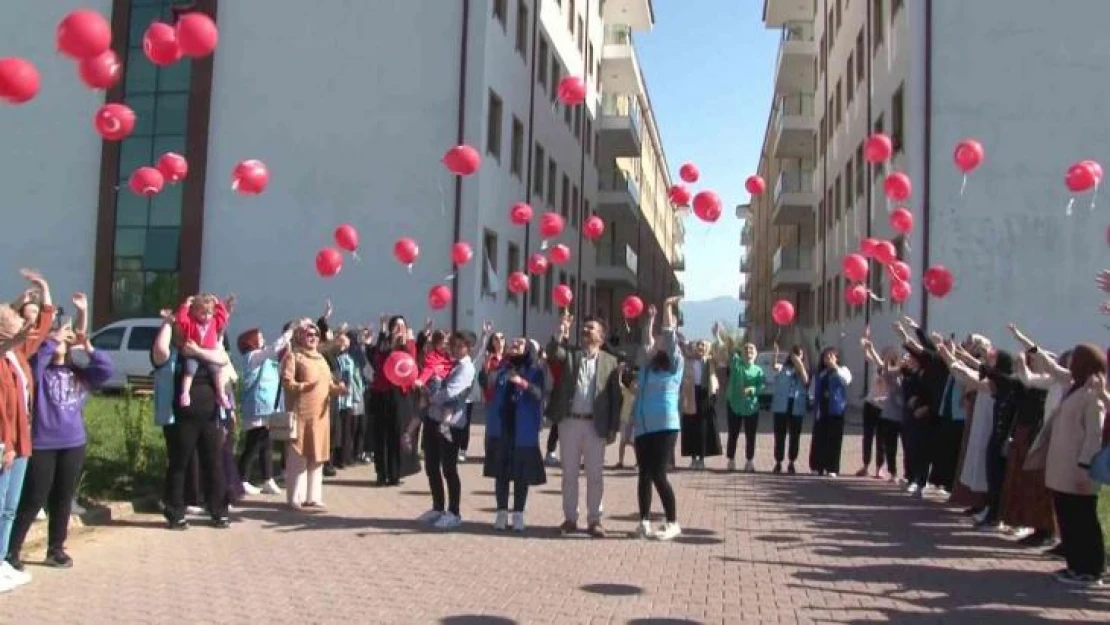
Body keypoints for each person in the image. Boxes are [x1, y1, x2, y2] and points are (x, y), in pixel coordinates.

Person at [5, 293, 112, 572]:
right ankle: (12, 551)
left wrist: (87, 346)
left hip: (73, 443)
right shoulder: (38, 371)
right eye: (54, 341)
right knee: (34, 498)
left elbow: (105, 369)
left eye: (63, 342)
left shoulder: (78, 373)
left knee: (63, 497)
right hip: (42, 443)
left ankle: (56, 549)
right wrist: (51, 340)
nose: (59, 345)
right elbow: (37, 362)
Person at [1025, 343, 1106, 586]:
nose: (1068, 364)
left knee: (1083, 520)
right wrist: (1033, 349)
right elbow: (1053, 368)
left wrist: (1085, 469)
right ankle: (1074, 565)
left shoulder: (1092, 394)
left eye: (1073, 360)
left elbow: (1094, 434)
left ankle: (1090, 570)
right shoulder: (1074, 387)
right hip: (1062, 468)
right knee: (1068, 518)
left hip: (1077, 470)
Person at [0, 269, 55, 590]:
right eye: (17, 323)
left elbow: (43, 324)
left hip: (21, 441)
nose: (25, 327)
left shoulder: (19, 355)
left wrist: (43, 288)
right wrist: (6, 444)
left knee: (10, 507)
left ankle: (3, 560)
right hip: (5, 442)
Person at [546, 312, 621, 538]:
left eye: (591, 328)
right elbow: (552, 353)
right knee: (569, 474)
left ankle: (595, 520)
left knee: (595, 475)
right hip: (570, 422)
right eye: (584, 328)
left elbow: (615, 398)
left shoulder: (610, 361)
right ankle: (570, 518)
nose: (586, 331)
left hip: (594, 425)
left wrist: (613, 427)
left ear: (602, 335)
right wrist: (561, 331)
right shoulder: (571, 355)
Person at [630, 296, 684, 540]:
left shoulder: (675, 364)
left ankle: (672, 522)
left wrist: (665, 308)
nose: (658, 343)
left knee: (659, 474)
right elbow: (645, 341)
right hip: (643, 426)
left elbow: (669, 335)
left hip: (665, 426)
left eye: (663, 341)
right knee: (644, 474)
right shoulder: (647, 367)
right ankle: (643, 522)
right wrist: (648, 320)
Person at [280, 320, 346, 510]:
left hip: (320, 416)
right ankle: (295, 497)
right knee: (298, 456)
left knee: (316, 456)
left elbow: (327, 385)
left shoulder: (321, 359)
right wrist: (303, 387)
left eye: (316, 335)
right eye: (309, 335)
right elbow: (287, 382)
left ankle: (313, 496)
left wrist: (337, 389)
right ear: (300, 336)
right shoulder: (294, 357)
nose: (313, 338)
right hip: (301, 413)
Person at [485, 336, 546, 532]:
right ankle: (502, 512)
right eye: (513, 343)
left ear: (528, 349)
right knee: (501, 474)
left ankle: (518, 513)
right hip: (502, 428)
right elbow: (487, 383)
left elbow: (539, 394)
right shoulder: (502, 369)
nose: (515, 345)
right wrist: (490, 364)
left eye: (519, 343)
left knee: (521, 475)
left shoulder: (535, 371)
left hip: (524, 429)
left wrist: (522, 383)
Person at [417, 331, 477, 530]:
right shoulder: (452, 364)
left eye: (461, 346)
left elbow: (451, 392)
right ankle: (438, 506)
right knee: (432, 464)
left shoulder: (466, 368)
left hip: (452, 424)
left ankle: (454, 512)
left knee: (449, 468)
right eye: (454, 345)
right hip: (435, 418)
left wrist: (431, 395)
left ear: (468, 348)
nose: (456, 349)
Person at [236, 324, 293, 496]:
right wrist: (289, 333)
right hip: (257, 407)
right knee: (253, 444)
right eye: (260, 337)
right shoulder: (252, 357)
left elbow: (279, 360)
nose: (264, 340)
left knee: (267, 445)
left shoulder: (264, 360)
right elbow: (273, 348)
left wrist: (287, 349)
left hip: (268, 408)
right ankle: (241, 480)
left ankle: (268, 478)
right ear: (251, 342)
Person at [367, 315, 419, 486]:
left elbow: (411, 361)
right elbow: (378, 362)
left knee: (396, 433)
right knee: (380, 435)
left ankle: (395, 473)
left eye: (402, 326)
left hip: (399, 395)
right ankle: (381, 473)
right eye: (396, 326)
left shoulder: (408, 344)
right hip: (382, 393)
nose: (399, 329)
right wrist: (388, 344)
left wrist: (405, 343)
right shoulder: (383, 343)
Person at [174, 294, 233, 409]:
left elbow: (223, 317)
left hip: (209, 354)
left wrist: (218, 303)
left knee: (217, 371)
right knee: (189, 370)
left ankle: (221, 394)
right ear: (195, 312)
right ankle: (185, 393)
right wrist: (186, 305)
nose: (206, 317)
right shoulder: (191, 322)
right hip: (192, 354)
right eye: (203, 313)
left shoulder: (214, 322)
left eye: (209, 313)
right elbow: (181, 319)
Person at [808, 347, 852, 477]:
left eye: (832, 356)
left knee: (834, 439)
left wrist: (835, 368)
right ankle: (817, 466)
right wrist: (811, 399)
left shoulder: (843, 370)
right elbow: (813, 388)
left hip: (836, 409)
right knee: (819, 438)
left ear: (836, 358)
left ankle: (832, 467)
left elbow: (846, 381)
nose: (828, 359)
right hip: (822, 409)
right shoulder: (820, 373)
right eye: (826, 356)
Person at [679, 340, 720, 470]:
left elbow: (722, 355)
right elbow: (682, 349)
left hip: (705, 394)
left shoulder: (710, 361)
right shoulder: (688, 360)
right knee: (690, 426)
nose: (700, 347)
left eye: (703, 345)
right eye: (699, 345)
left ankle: (701, 458)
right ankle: (693, 458)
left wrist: (717, 337)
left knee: (703, 427)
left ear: (707, 348)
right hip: (691, 394)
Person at [769, 344, 809, 474]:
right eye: (794, 353)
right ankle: (778, 461)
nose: (796, 356)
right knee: (779, 435)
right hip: (782, 406)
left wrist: (800, 364)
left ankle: (792, 461)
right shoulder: (783, 368)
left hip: (796, 406)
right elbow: (774, 367)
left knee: (794, 436)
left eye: (799, 354)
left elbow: (805, 380)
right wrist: (775, 354)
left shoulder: (804, 370)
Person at [725, 342, 765, 472]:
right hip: (735, 405)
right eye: (746, 348)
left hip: (751, 408)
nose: (748, 350)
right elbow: (727, 351)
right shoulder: (736, 364)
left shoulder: (759, 370)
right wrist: (719, 337)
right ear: (742, 352)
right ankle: (731, 460)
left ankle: (749, 461)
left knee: (750, 436)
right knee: (733, 434)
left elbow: (762, 387)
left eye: (751, 348)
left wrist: (753, 389)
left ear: (756, 353)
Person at [615, 365, 638, 469]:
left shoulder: (640, 396)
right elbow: (619, 384)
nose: (635, 385)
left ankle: (638, 461)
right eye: (633, 383)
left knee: (634, 443)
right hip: (625, 420)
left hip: (634, 422)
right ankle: (620, 461)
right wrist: (619, 373)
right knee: (623, 442)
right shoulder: (626, 392)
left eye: (637, 384)